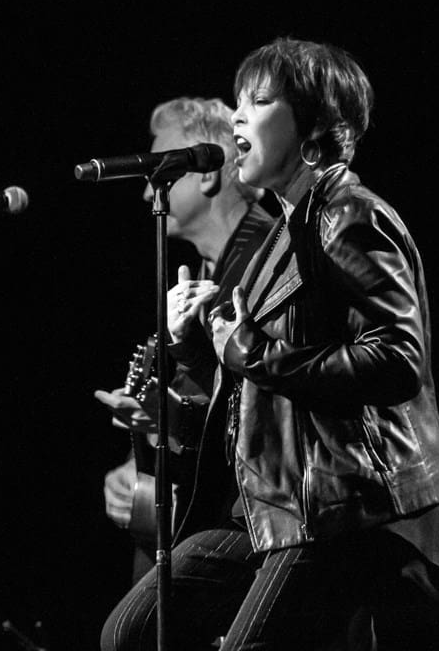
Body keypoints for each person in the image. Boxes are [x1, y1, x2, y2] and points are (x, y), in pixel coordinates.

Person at [100, 38, 439, 651]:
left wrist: (249, 351)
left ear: (316, 126)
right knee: (131, 631)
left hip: (350, 505)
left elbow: (398, 360)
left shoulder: (348, 214)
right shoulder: (283, 232)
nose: (238, 116)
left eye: (259, 101)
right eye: (238, 102)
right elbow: (257, 386)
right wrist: (198, 349)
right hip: (278, 503)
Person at [94, 96, 276, 583]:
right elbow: (192, 392)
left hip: (252, 524)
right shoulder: (202, 269)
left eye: (162, 172)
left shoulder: (267, 260)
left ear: (207, 174)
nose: (146, 192)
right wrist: (139, 465)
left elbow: (261, 411)